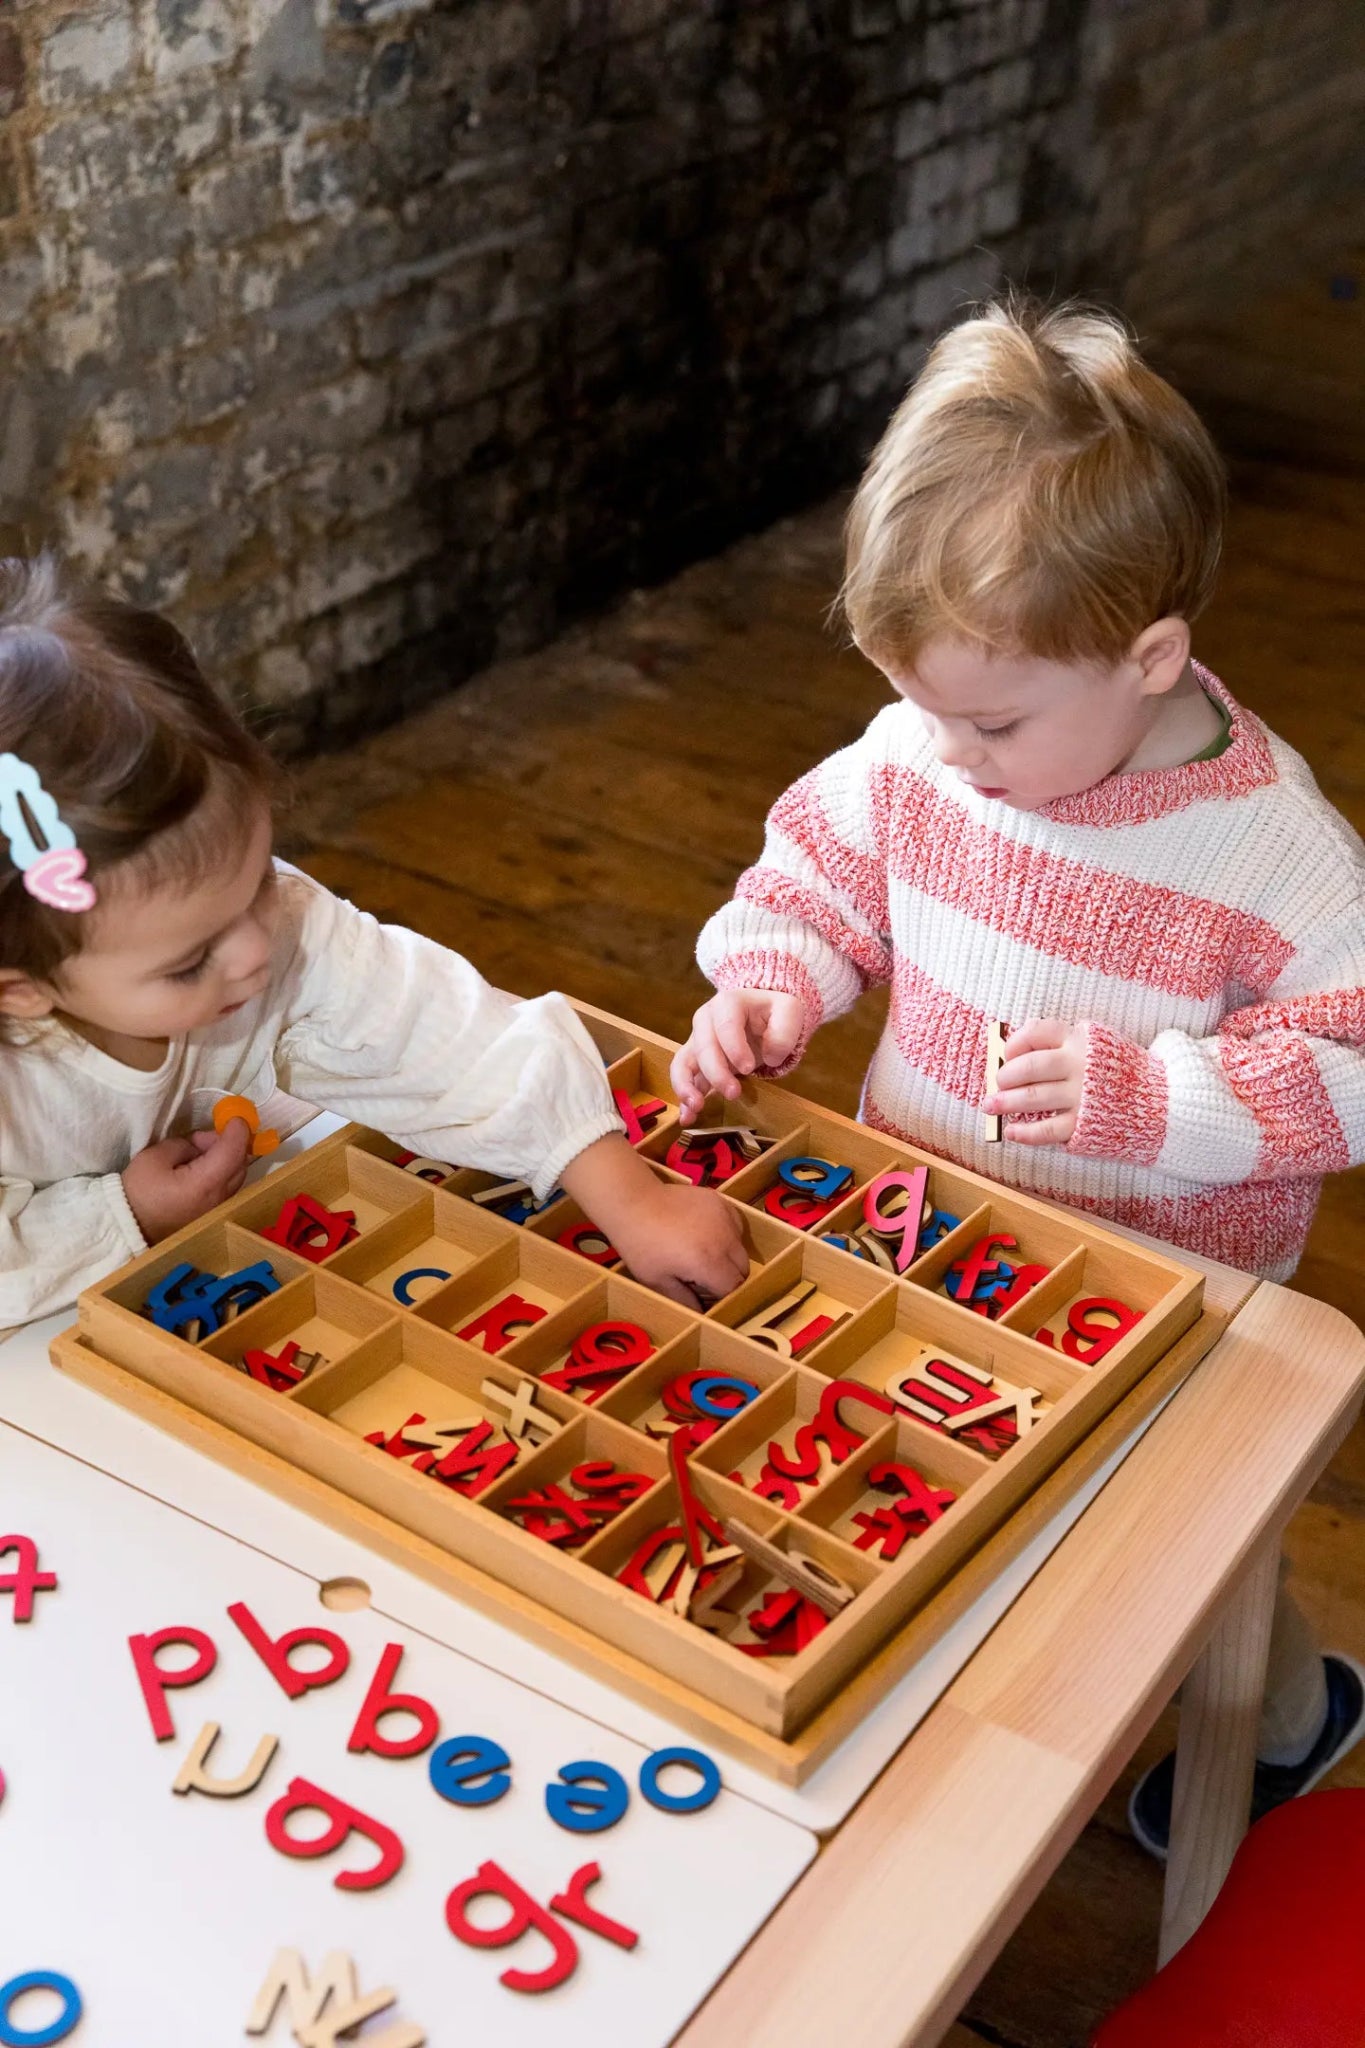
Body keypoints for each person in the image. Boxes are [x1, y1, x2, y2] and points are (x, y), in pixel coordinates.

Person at [671, 298, 1365, 1856]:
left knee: (1176, 1552)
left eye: (985, 720)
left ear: (1150, 657)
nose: (945, 753)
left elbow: (1348, 1066)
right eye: (920, 707)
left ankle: (1290, 1713)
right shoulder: (925, 753)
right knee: (950, 1498)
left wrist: (1158, 1100)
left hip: (1168, 1304)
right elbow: (821, 871)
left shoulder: (1278, 858)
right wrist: (772, 980)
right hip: (930, 1239)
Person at [0, 554, 747, 1331]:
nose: (254, 951)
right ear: (20, 988)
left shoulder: (263, 928)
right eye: (190, 963)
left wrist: (630, 1198)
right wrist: (122, 1213)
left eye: (258, 882)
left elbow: (443, 1030)